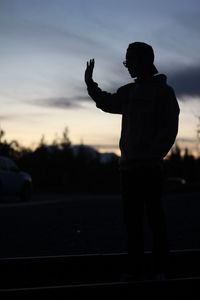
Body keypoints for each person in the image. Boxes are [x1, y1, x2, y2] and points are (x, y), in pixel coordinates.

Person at [84, 42, 180, 280]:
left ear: (145, 61)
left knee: (155, 220)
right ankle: (136, 269)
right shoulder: (128, 92)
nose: (127, 66)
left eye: (130, 60)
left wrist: (154, 154)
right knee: (133, 222)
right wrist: (90, 84)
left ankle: (162, 269)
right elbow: (107, 102)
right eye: (126, 61)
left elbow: (169, 128)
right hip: (128, 169)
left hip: (150, 168)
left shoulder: (163, 92)